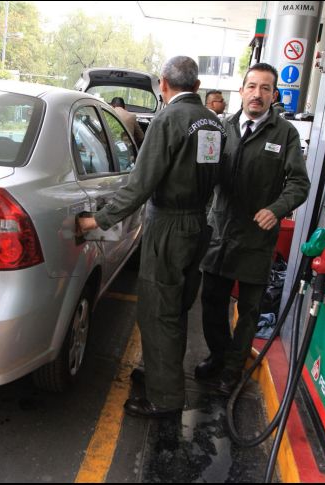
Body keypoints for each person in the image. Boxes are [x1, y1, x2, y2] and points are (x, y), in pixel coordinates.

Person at [78, 56, 225, 418]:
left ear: (164, 84)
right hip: (198, 225)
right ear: (196, 85)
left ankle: (165, 398)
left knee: (158, 312)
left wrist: (98, 220)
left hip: (170, 227)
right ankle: (162, 374)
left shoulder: (169, 119)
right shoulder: (213, 121)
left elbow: (140, 184)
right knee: (176, 308)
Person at [196, 63, 310, 395]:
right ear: (242, 90)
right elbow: (204, 172)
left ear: (274, 95)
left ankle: (233, 369)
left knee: (248, 310)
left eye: (264, 88)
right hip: (220, 233)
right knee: (212, 302)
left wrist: (276, 210)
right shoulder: (222, 127)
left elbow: (299, 184)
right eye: (251, 86)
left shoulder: (284, 133)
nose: (257, 94)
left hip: (256, 239)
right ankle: (219, 356)